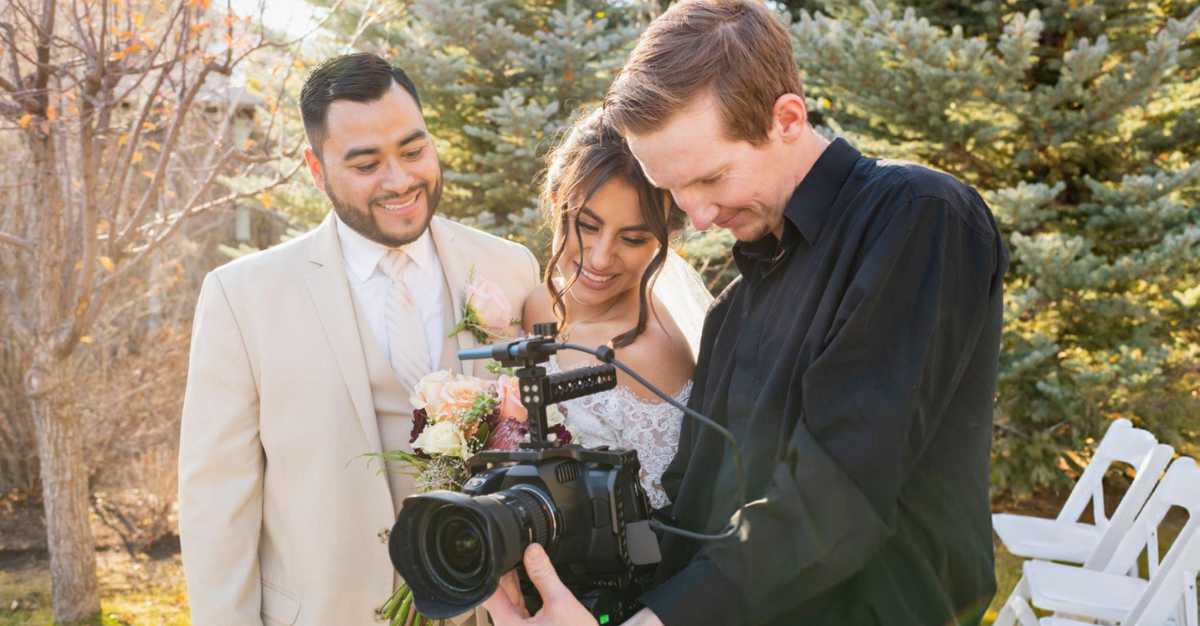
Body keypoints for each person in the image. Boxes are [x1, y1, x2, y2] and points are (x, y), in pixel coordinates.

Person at [483, 1, 1007, 625]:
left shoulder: (918, 217)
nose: (697, 216)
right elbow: (692, 507)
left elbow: (839, 491)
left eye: (711, 179)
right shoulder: (735, 307)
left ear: (787, 118)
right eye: (675, 190)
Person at [178, 53, 539, 626]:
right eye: (366, 164)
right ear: (316, 169)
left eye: (414, 150)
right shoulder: (242, 298)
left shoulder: (509, 268)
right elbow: (216, 504)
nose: (400, 181)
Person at [522, 108, 711, 510]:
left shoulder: (651, 354)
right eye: (588, 226)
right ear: (557, 202)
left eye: (632, 238)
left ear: (664, 239)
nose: (602, 258)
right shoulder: (537, 302)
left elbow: (661, 514)